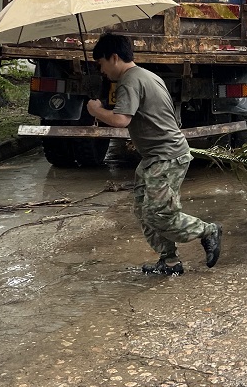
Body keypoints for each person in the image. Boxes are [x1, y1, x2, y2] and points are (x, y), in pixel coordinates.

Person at [86, 32, 222, 276]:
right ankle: (170, 262)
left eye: (102, 64)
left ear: (114, 58)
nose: (102, 71)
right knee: (143, 211)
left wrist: (96, 111)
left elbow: (120, 120)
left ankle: (208, 230)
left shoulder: (129, 81)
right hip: (154, 157)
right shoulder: (147, 75)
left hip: (167, 156)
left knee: (159, 214)